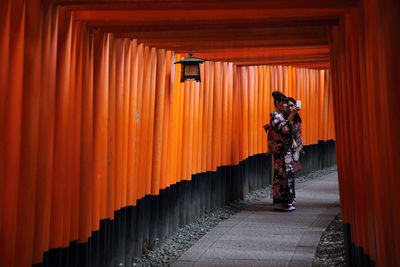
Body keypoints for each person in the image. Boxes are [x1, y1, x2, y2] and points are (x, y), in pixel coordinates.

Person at [269, 91, 298, 211]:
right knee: (282, 176)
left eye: (287, 103)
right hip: (281, 151)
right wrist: (292, 114)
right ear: (277, 103)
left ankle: (287, 202)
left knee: (287, 175)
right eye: (284, 103)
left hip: (285, 150)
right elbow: (285, 128)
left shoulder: (282, 116)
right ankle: (281, 202)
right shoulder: (275, 116)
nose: (286, 105)